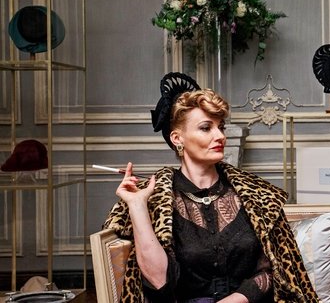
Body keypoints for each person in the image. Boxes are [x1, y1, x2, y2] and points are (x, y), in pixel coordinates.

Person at [103, 72, 318, 303]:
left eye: (220, 127)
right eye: (206, 128)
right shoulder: (158, 200)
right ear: (177, 138)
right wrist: (137, 205)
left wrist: (235, 300)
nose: (220, 136)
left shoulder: (257, 195)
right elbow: (158, 280)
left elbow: (275, 270)